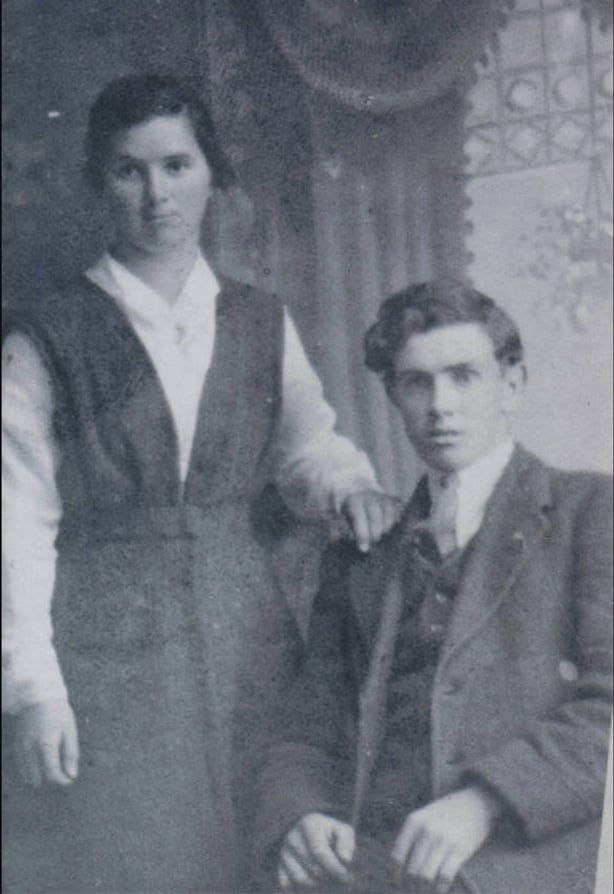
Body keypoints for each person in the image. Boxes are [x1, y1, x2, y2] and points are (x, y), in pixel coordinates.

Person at [1, 73, 400, 894]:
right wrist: (33, 687)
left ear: (212, 173)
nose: (157, 195)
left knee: (269, 850)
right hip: (109, 657)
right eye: (128, 171)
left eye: (177, 166)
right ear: (96, 184)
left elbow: (306, 447)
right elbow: (15, 519)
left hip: (251, 641)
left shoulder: (257, 318)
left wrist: (347, 486)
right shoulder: (47, 334)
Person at [255, 281, 613, 894]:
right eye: (416, 383)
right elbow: (306, 723)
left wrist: (485, 801)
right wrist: (299, 812)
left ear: (514, 385)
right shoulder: (363, 552)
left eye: (464, 376)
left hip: (520, 861)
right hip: (371, 866)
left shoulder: (591, 512)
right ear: (393, 395)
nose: (440, 405)